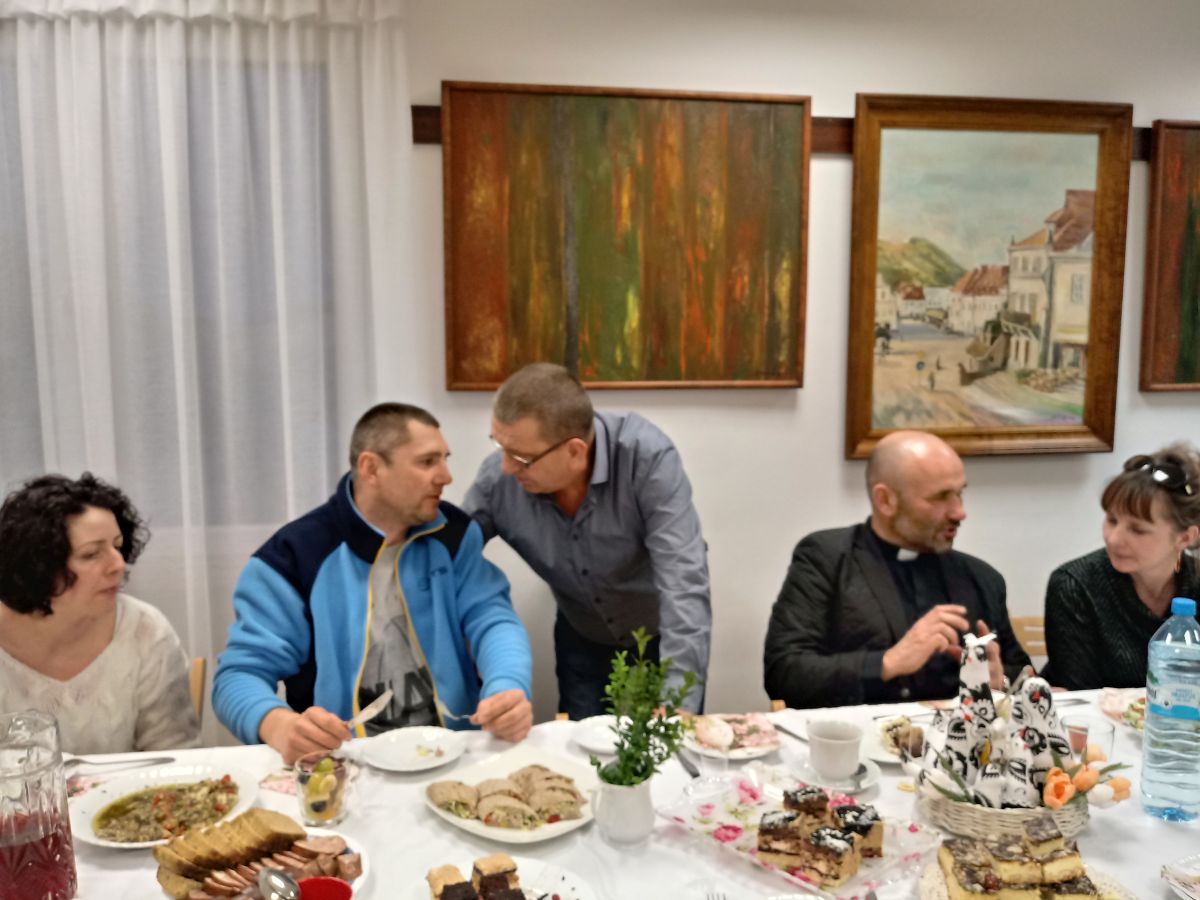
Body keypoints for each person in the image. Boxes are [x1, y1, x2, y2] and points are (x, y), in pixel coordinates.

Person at [213, 403, 533, 764]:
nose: (446, 477)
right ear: (371, 468)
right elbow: (238, 676)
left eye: (445, 460)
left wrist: (507, 687)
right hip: (345, 763)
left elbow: (493, 619)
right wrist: (279, 725)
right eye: (427, 462)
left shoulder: (454, 534)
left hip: (452, 751)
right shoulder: (293, 558)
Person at [463, 363, 710, 719]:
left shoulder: (646, 458)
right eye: (500, 446)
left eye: (521, 458)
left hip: (663, 635)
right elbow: (449, 559)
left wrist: (676, 704)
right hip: (582, 636)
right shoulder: (498, 481)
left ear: (575, 452)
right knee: (580, 747)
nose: (506, 467)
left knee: (669, 744)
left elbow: (682, 579)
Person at [763, 430, 1029, 708]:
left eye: (959, 494)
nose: (959, 512)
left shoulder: (982, 578)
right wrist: (888, 662)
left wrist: (1001, 683)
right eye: (940, 497)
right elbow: (784, 673)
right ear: (885, 500)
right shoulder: (827, 560)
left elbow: (1022, 673)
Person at [0, 474, 200, 754]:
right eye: (91, 554)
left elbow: (175, 757)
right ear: (38, 565)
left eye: (117, 546)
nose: (118, 564)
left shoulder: (145, 630)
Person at [1042, 444, 1200, 690]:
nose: (1114, 539)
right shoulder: (1074, 585)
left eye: (1137, 529)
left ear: (1185, 538)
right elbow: (1080, 697)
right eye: (1112, 520)